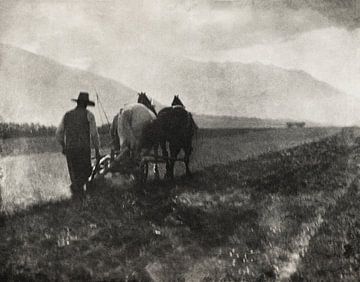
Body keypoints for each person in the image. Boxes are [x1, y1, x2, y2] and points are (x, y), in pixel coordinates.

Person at [56, 92, 100, 198]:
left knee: (74, 175)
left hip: (70, 150)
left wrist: (63, 146)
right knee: (86, 173)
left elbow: (58, 133)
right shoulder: (89, 115)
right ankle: (80, 195)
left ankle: (77, 198)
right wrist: (97, 150)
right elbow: (94, 134)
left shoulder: (67, 115)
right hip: (83, 149)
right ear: (85, 104)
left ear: (78, 103)